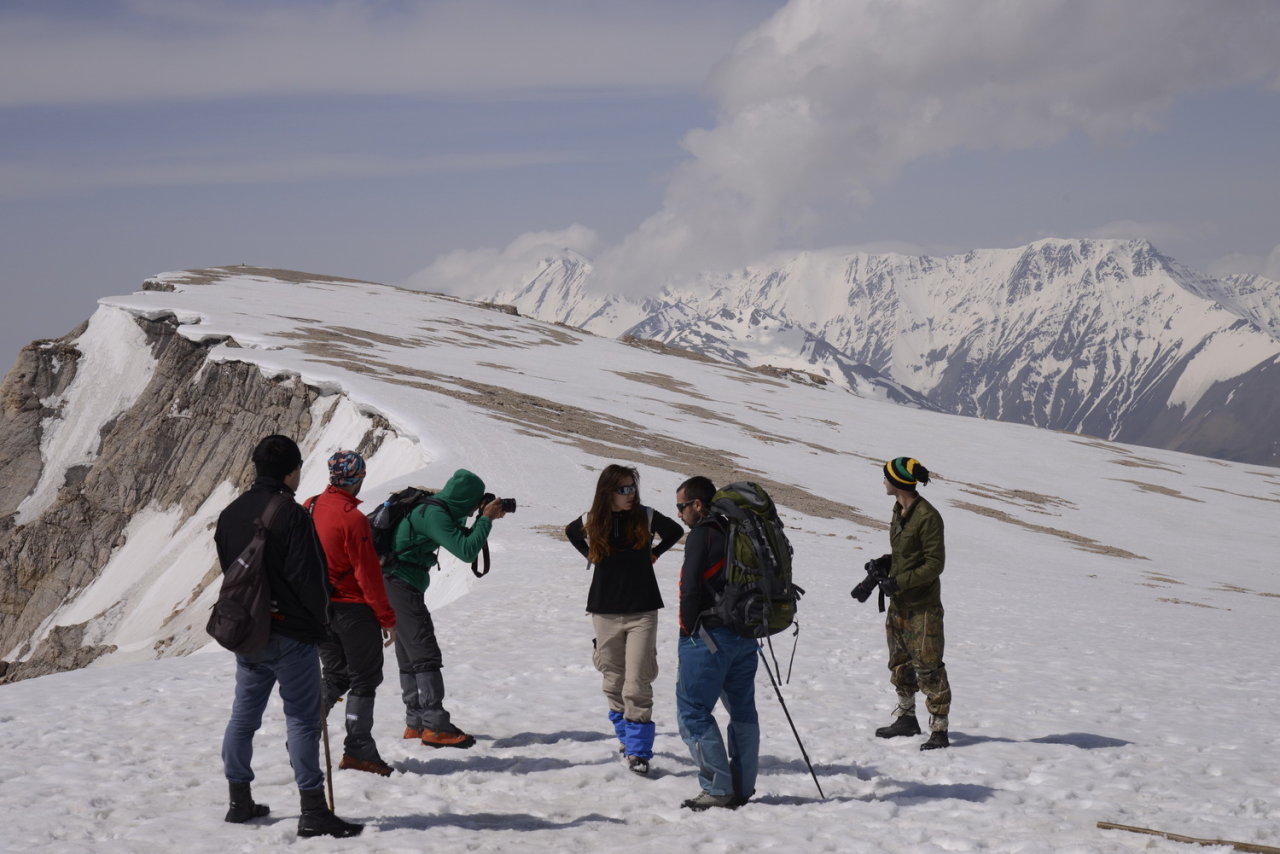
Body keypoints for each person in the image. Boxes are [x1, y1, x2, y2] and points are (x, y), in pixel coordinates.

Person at [213, 434, 363, 838]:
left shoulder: (230, 514)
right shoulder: (291, 514)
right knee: (301, 719)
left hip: (248, 633)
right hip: (291, 635)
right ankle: (313, 810)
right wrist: (321, 625)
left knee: (243, 717)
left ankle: (239, 801)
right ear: (292, 471)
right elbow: (309, 579)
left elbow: (231, 567)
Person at [564, 464, 684, 775]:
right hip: (604, 610)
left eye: (633, 488)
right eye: (624, 489)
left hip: (643, 609)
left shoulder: (646, 515)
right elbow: (570, 531)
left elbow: (675, 531)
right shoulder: (592, 519)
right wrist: (590, 553)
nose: (631, 494)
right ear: (608, 492)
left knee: (637, 684)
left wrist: (654, 553)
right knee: (613, 680)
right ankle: (625, 738)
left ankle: (638, 752)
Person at [384, 468, 507, 748]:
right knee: (424, 652)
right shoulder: (434, 514)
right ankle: (436, 726)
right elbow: (466, 550)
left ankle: (416, 723)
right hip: (400, 584)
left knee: (410, 653)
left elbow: (457, 535)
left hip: (393, 583)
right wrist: (485, 519)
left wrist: (481, 519)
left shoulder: (434, 509)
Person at [306, 450, 397, 776]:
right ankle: (359, 750)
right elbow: (368, 574)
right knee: (364, 677)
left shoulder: (312, 505)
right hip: (353, 611)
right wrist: (387, 618)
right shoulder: (352, 518)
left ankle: (303, 735)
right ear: (356, 478)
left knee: (335, 674)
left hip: (319, 608)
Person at [673, 475, 759, 811]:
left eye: (682, 507)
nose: (680, 514)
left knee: (693, 710)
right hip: (746, 633)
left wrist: (686, 631)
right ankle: (742, 785)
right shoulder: (738, 531)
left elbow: (691, 586)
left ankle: (717, 787)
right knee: (742, 710)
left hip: (709, 634)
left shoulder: (703, 533)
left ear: (698, 504)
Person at [872, 456, 952, 751]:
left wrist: (899, 581)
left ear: (898, 482)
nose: (882, 481)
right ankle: (906, 718)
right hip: (899, 603)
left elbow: (934, 564)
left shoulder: (928, 517)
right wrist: (887, 562)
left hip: (923, 606)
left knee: (929, 666)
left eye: (885, 476)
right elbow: (908, 556)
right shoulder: (899, 510)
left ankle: (940, 729)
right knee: (900, 662)